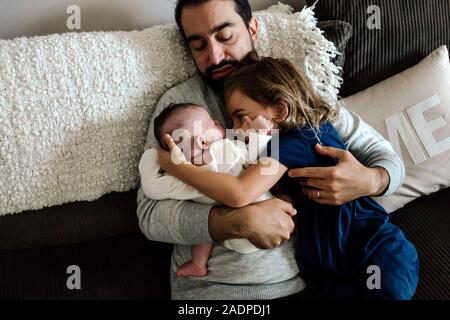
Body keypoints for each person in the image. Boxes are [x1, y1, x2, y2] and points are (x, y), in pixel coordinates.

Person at [137, 0, 405, 300]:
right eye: (198, 46)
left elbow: (387, 157)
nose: (214, 56)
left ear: (252, 28)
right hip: (218, 294)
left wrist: (369, 181)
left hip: (314, 281)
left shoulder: (287, 87)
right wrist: (235, 222)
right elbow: (150, 215)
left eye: (225, 37)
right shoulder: (180, 110)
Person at [139, 102, 274, 277]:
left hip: (229, 238)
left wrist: (152, 155)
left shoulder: (182, 181)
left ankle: (198, 263)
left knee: (202, 233)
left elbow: (151, 188)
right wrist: (259, 133)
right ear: (203, 141)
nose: (218, 122)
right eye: (213, 123)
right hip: (264, 222)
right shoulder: (225, 149)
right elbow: (252, 155)